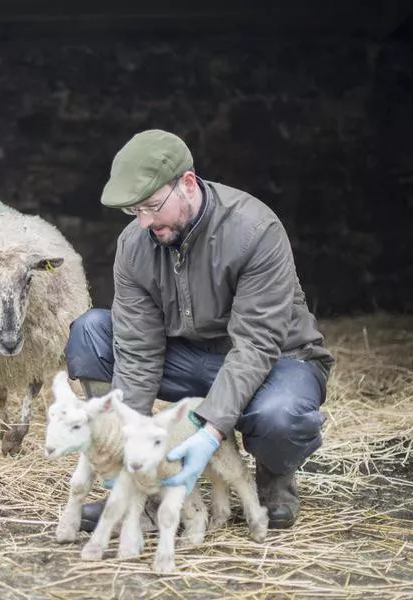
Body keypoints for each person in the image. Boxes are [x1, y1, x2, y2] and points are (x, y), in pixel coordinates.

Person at [65, 129, 335, 530]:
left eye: (153, 206)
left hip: (276, 362)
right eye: (134, 212)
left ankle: (274, 481)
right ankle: (141, 495)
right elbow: (137, 350)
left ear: (187, 184)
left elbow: (256, 345)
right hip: (190, 358)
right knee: (91, 333)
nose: (144, 222)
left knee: (281, 416)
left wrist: (209, 433)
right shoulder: (135, 244)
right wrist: (130, 449)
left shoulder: (254, 231)